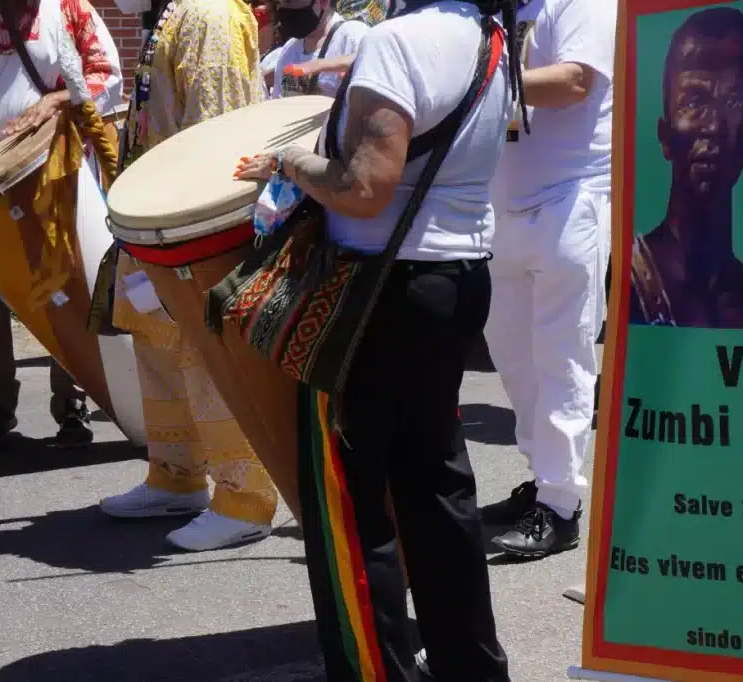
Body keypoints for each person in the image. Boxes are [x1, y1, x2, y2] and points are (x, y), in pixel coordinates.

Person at [235, 0, 521, 678]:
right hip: (458, 278)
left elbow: (365, 186)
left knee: (348, 498)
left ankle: (374, 668)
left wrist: (291, 163)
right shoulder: (491, 36)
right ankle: (471, 667)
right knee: (436, 485)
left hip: (380, 292)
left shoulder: (397, 41)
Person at [101, 0, 279, 553]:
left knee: (208, 358)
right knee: (162, 350)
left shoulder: (207, 15)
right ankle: (176, 477)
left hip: (192, 227)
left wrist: (188, 231)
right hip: (163, 220)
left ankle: (243, 499)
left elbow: (218, 137)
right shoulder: (180, 12)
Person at [478, 0, 614, 561]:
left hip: (569, 200)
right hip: (504, 209)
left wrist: (473, 86)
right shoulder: (501, 10)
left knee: (562, 359)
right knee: (513, 357)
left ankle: (560, 509)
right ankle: (543, 480)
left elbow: (574, 81)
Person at [0, 0, 123, 448]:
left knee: (67, 284)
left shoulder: (70, 10)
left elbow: (107, 77)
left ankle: (72, 401)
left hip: (63, 169)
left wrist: (57, 98)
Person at [628, 7, 743, 329]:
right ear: (664, 134)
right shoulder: (619, 283)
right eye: (694, 102)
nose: (713, 124)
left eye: (732, 102)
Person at [271, 0, 368, 99]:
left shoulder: (352, 36)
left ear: (323, 2)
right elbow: (281, 103)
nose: (283, 10)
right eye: (279, 3)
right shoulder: (289, 50)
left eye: (290, 1)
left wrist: (318, 65)